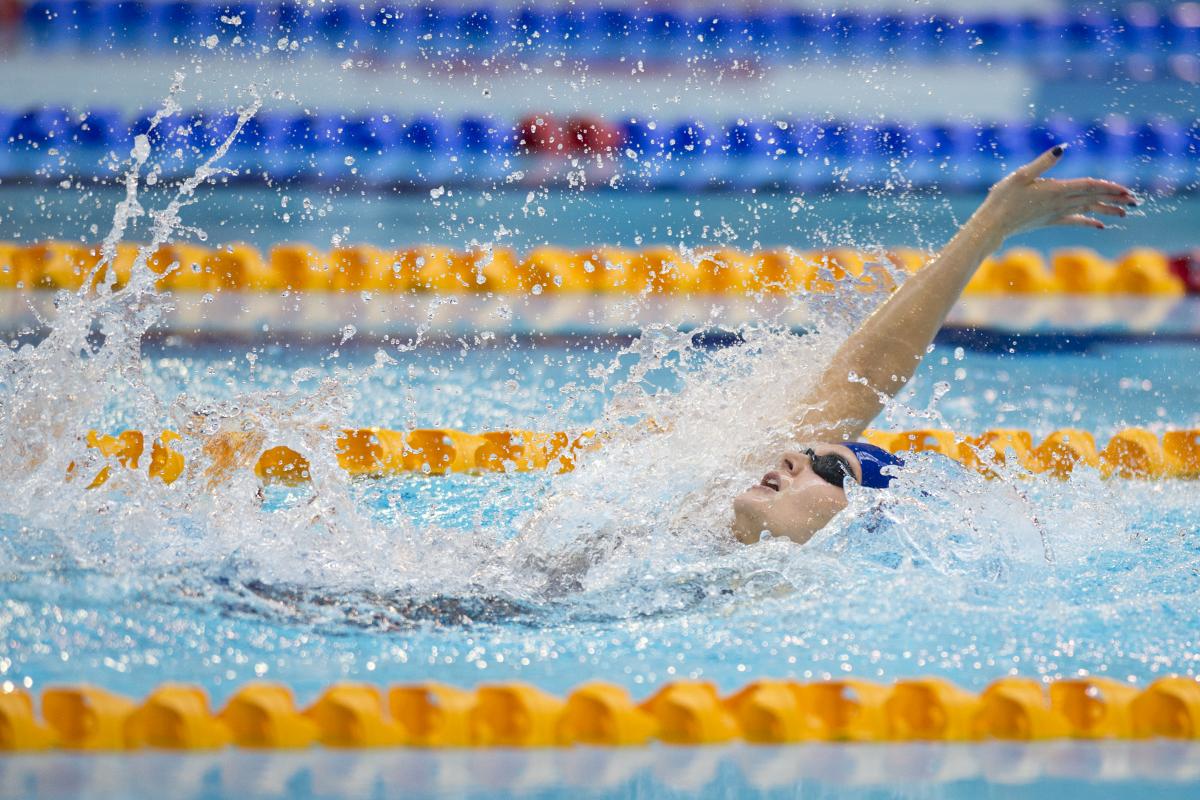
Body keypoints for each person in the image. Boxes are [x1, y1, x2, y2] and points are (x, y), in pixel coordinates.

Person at [732, 145, 1137, 545]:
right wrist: (990, 226)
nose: (791, 457)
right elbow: (861, 380)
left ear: (855, 530)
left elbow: (863, 380)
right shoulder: (700, 532)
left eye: (833, 470)